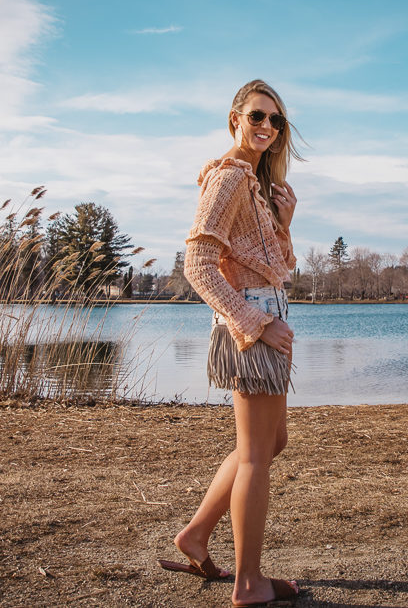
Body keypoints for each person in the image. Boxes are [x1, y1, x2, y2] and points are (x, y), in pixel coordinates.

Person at [158, 80, 303, 607]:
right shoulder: (226, 178)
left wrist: (284, 224)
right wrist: (257, 323)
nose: (267, 127)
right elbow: (197, 266)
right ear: (235, 120)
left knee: (267, 445)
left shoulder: (256, 184)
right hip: (251, 325)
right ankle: (248, 584)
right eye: (258, 117)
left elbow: (276, 269)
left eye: (276, 121)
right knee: (257, 457)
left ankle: (197, 534)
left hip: (265, 315)